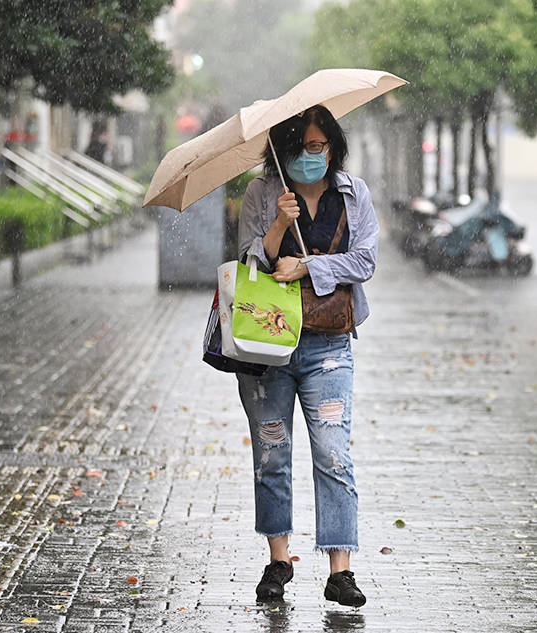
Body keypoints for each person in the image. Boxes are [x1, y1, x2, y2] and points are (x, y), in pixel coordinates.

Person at [236, 105, 379, 608]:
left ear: (333, 145)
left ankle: (340, 571)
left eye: (320, 146)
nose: (311, 156)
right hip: (268, 349)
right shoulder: (261, 193)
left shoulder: (353, 193)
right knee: (271, 456)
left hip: (328, 346)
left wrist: (309, 268)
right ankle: (278, 560)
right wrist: (278, 222)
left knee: (333, 452)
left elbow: (365, 260)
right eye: (301, 147)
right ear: (284, 148)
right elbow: (249, 262)